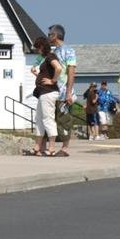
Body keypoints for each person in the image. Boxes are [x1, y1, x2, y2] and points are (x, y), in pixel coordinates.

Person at [41, 24, 76, 155]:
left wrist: (68, 92)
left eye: (50, 34)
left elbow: (71, 72)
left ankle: (65, 148)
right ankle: (49, 146)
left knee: (64, 120)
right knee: (51, 119)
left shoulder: (69, 51)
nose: (48, 36)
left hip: (63, 92)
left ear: (55, 35)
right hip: (53, 92)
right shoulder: (54, 52)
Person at [27, 35, 62, 156]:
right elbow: (44, 76)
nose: (37, 50)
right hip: (43, 93)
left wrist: (53, 81)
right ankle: (37, 147)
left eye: (38, 48)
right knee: (39, 120)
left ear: (42, 46)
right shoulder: (45, 58)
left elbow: (58, 68)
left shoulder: (50, 56)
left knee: (48, 119)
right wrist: (37, 75)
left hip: (48, 92)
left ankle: (51, 148)